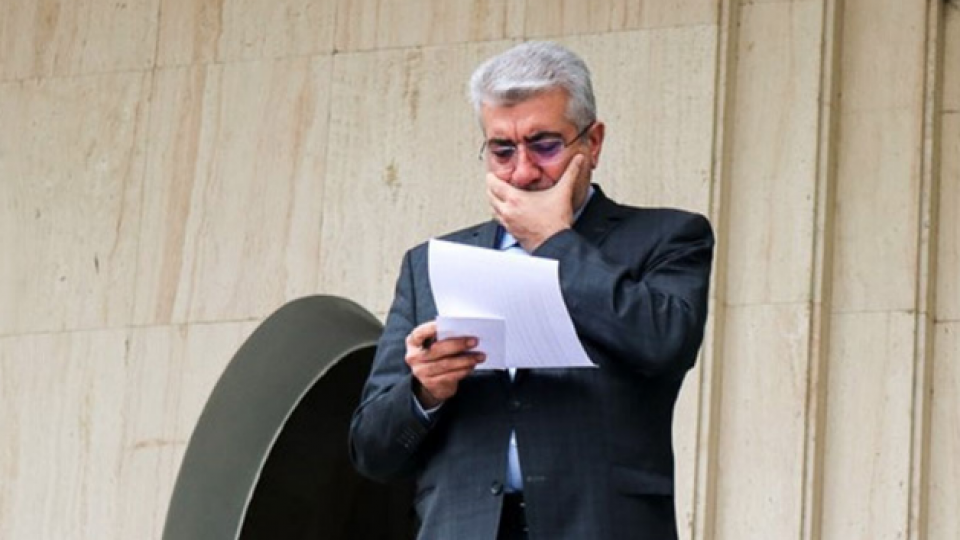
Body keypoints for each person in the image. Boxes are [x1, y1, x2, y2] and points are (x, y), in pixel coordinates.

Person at [349, 41, 714, 540]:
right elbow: (371, 452)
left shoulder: (668, 237)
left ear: (593, 143)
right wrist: (425, 391)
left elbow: (665, 343)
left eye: (544, 145)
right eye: (502, 150)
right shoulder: (430, 263)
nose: (522, 171)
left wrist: (554, 242)